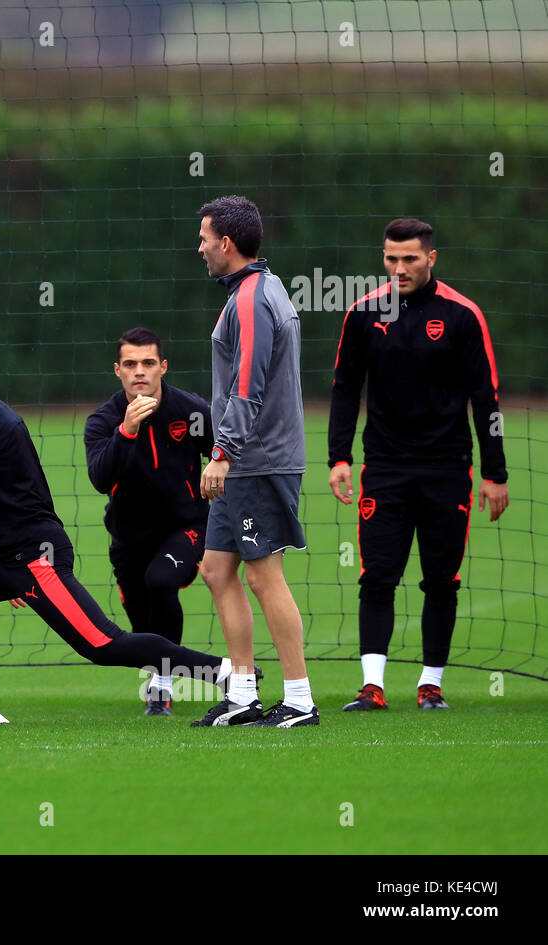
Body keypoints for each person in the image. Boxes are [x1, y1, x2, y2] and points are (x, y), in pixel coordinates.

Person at [0, 329, 237, 725]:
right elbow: (13, 486)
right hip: (8, 553)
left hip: (35, 556)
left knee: (103, 644)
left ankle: (229, 677)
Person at [329, 217, 508, 711]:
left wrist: (496, 473)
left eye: (410, 258)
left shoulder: (463, 315)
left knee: (441, 580)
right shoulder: (365, 313)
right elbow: (346, 389)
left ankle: (431, 685)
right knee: (377, 576)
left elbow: (485, 399)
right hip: (384, 469)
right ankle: (372, 687)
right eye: (391, 258)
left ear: (432, 257)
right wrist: (339, 457)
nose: (399, 267)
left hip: (448, 469)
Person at [193, 195, 318, 727]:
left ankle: (299, 700)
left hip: (255, 460)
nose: (199, 248)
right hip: (248, 458)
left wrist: (222, 453)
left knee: (266, 576)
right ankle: (243, 694)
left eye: (204, 239)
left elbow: (248, 387)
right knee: (217, 569)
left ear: (226, 243)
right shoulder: (259, 288)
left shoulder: (250, 299)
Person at [84, 326, 212, 715]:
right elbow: (99, 478)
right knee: (141, 625)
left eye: (148, 363)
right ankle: (162, 672)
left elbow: (225, 454)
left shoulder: (191, 412)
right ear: (118, 371)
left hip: (185, 527)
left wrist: (220, 467)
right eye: (130, 364)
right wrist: (127, 431)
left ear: (163, 367)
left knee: (161, 582)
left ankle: (162, 686)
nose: (140, 371)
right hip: (128, 536)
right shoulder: (103, 421)